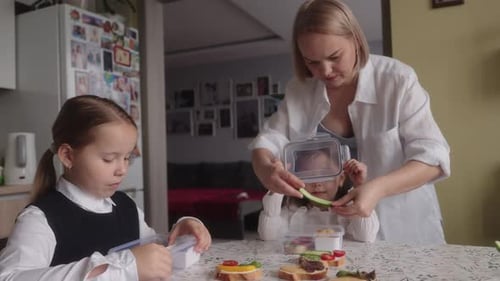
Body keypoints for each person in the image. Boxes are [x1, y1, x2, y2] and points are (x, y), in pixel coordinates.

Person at [249, 0, 450, 245]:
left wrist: (378, 189)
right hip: (334, 240)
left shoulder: (398, 80)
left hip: (406, 232)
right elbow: (268, 142)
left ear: (355, 40)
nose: (325, 71)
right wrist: (266, 170)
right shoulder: (299, 90)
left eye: (334, 57)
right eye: (312, 62)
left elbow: (435, 158)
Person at [0, 95, 212, 280]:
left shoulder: (126, 206)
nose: (122, 169)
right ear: (68, 156)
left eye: (127, 157)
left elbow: (148, 250)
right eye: (109, 159)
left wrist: (182, 233)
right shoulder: (39, 219)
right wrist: (123, 268)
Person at [258, 148, 379, 242]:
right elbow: (268, 235)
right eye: (309, 177)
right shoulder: (293, 211)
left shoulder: (350, 212)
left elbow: (366, 236)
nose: (317, 183)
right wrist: (277, 189)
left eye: (324, 174)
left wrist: (360, 187)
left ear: (341, 179)